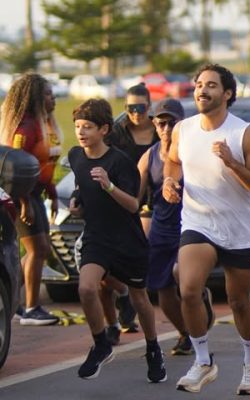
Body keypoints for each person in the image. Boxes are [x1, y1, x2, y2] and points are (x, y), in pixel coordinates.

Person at [163, 64, 250, 395]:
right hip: (198, 222)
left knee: (239, 301)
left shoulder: (244, 134)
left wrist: (232, 163)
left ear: (226, 94)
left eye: (211, 85)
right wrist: (170, 180)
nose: (202, 90)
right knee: (189, 287)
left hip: (239, 228)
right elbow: (172, 160)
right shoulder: (183, 129)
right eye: (199, 84)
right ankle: (202, 360)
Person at [67, 99, 165, 383]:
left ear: (104, 129)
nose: (81, 132)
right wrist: (77, 201)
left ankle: (152, 348)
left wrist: (109, 185)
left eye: (87, 127)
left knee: (139, 298)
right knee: (86, 288)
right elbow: (81, 186)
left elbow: (134, 205)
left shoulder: (120, 162)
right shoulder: (76, 156)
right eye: (77, 127)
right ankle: (101, 344)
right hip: (97, 236)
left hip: (127, 239)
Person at [137, 99, 214, 356]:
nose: (167, 128)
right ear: (154, 125)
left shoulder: (193, 153)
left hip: (189, 225)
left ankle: (200, 299)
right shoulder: (149, 157)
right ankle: (186, 333)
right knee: (162, 289)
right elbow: (135, 196)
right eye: (162, 123)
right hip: (161, 227)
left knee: (182, 275)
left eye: (173, 123)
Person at [0, 73, 61, 326]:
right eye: (48, 93)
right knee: (38, 250)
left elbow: (43, 164)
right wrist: (23, 201)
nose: (53, 98)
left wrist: (53, 193)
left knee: (40, 250)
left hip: (37, 193)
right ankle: (31, 307)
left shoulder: (44, 122)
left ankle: (13, 301)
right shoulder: (25, 127)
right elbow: (17, 167)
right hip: (22, 195)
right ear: (36, 97)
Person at [105, 83, 160, 334]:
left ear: (149, 107)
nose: (135, 112)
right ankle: (124, 297)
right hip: (121, 200)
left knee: (143, 256)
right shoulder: (117, 132)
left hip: (153, 201)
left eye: (141, 107)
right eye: (130, 107)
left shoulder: (161, 130)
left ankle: (132, 302)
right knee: (113, 261)